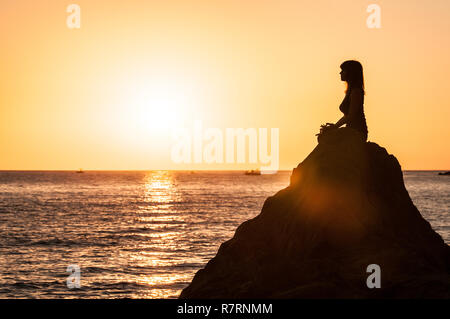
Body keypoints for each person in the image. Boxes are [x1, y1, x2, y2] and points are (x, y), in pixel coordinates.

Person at [320, 60, 368, 141]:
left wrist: (335, 127)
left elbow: (351, 116)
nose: (340, 73)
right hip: (350, 130)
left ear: (350, 73)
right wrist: (334, 126)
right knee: (324, 135)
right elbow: (347, 116)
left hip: (357, 132)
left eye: (343, 70)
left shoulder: (356, 91)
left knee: (326, 137)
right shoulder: (350, 91)